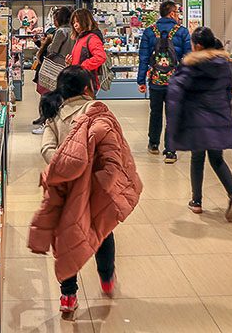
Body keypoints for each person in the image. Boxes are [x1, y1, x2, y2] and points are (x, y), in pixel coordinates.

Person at [29, 66, 142, 320]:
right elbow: (113, 157)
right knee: (102, 231)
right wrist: (103, 182)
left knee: (66, 237)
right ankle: (106, 279)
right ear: (87, 88)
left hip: (65, 189)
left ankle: (68, 296)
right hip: (95, 189)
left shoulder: (55, 115)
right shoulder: (98, 113)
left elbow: (47, 149)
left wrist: (64, 168)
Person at [165, 27, 232, 220]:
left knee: (197, 159)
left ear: (197, 45)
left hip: (197, 120)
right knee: (217, 159)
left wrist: (173, 123)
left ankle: (197, 201)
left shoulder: (191, 65)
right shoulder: (223, 64)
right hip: (218, 118)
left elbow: (176, 93)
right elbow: (227, 92)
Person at [137, 0, 191, 161]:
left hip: (155, 80)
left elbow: (144, 57)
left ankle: (153, 143)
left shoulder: (149, 32)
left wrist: (141, 80)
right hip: (175, 81)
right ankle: (170, 150)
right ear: (172, 13)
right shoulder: (182, 32)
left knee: (155, 112)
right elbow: (188, 58)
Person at [32, 7, 73, 133]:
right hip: (66, 66)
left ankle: (47, 123)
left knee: (48, 95)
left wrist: (47, 42)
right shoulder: (72, 31)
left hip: (54, 66)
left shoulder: (60, 31)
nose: (54, 21)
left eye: (55, 18)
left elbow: (52, 50)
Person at [67, 8, 107, 94]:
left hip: (86, 82)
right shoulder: (81, 38)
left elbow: (101, 57)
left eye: (77, 21)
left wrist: (82, 67)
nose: (75, 25)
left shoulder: (92, 38)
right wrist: (71, 63)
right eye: (73, 23)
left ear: (85, 21)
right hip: (79, 80)